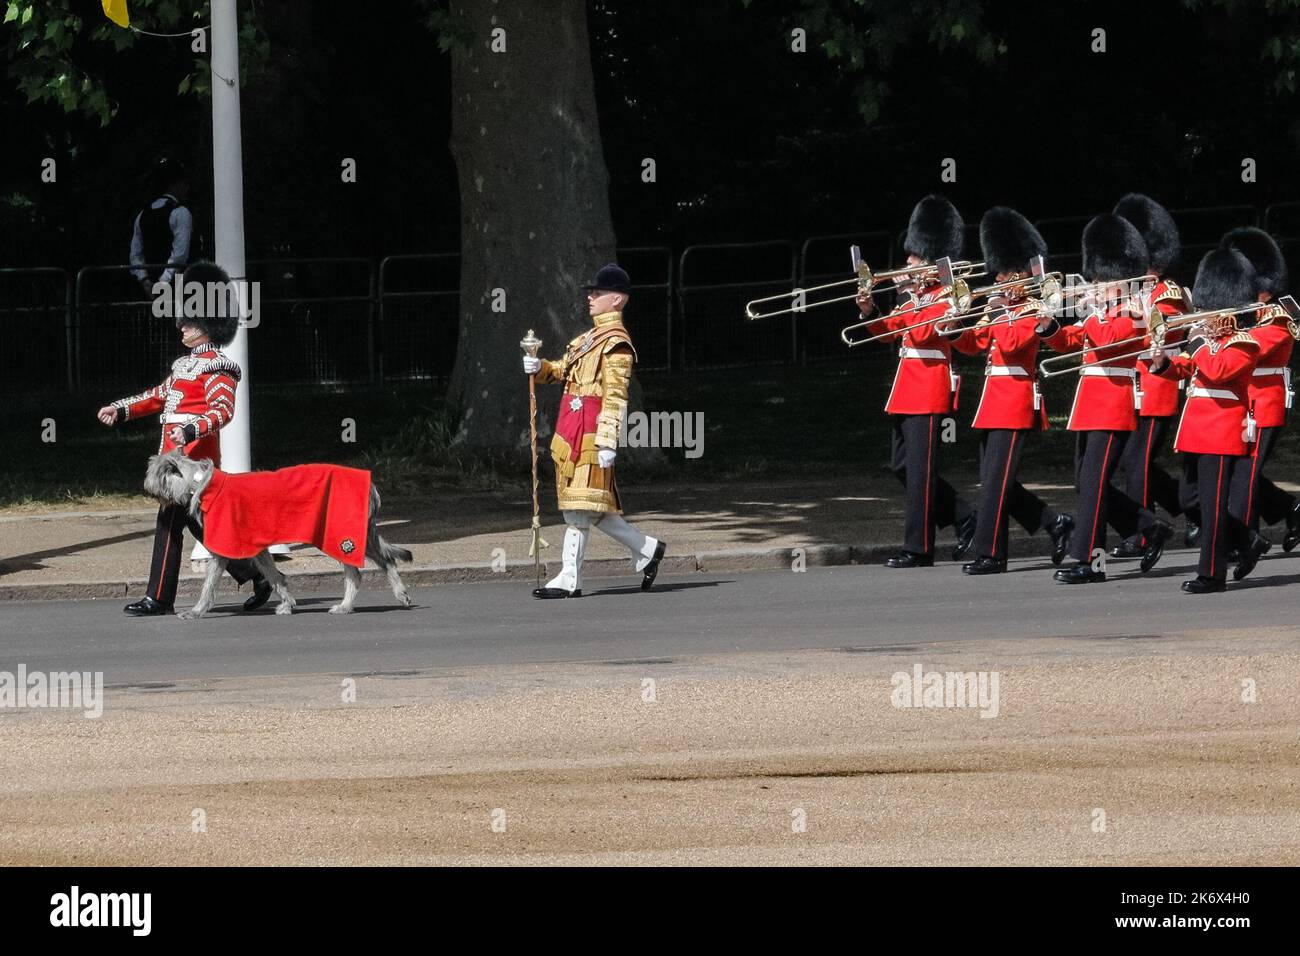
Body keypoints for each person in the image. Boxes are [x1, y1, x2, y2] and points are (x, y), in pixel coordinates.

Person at [96, 261, 269, 616]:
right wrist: (121, 408)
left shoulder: (218, 366)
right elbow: (158, 396)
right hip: (174, 459)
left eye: (190, 322)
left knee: (170, 521)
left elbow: (222, 411)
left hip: (194, 463)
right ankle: (255, 573)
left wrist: (190, 431)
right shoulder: (183, 365)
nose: (183, 327)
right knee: (200, 525)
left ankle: (159, 598)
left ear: (207, 326)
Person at [1038, 215, 1171, 584]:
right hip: (1089, 404)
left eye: (1101, 281)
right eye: (1094, 279)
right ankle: (1148, 526)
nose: (1094, 286)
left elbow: (1108, 338)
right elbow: (1072, 341)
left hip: (1113, 404)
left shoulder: (1135, 314)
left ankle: (1089, 561)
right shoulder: (1105, 312)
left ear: (1120, 281)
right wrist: (1048, 325)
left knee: (1094, 484)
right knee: (1085, 483)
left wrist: (1092, 309)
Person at [522, 263, 666, 599]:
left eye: (597, 292)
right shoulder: (588, 338)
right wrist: (540, 367)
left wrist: (608, 441)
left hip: (592, 434)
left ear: (616, 300)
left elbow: (615, 395)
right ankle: (647, 549)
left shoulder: (615, 343)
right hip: (573, 431)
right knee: (594, 510)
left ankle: (569, 578)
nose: (590, 296)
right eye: (591, 292)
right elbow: (562, 369)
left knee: (577, 509)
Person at [949, 207, 1074, 574]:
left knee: (995, 483)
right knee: (994, 480)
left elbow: (1012, 344)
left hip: (1016, 398)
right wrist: (956, 326)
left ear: (1021, 274)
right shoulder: (1003, 308)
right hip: (993, 400)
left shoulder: (1034, 307)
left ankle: (991, 554)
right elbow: (976, 344)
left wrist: (1001, 308)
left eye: (1006, 273)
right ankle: (1054, 523)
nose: (999, 278)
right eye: (999, 272)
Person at [854, 195, 976, 568]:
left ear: (932, 260)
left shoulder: (946, 297)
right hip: (906, 388)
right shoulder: (915, 298)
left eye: (913, 259)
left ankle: (919, 548)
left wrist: (910, 298)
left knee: (921, 472)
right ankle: (965, 516)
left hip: (929, 387)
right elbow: (888, 332)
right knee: (902, 466)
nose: (906, 266)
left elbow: (924, 336)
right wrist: (869, 308)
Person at [1147, 247, 1270, 592]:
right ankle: (1246, 539)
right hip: (1195, 429)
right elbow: (1186, 368)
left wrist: (1198, 342)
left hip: (1221, 430)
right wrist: (1161, 362)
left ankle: (1212, 574)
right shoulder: (1208, 341)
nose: (1202, 315)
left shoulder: (1245, 343)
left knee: (1213, 505)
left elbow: (1217, 372)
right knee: (1189, 500)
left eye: (1208, 309)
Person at [1110, 194, 1194, 555]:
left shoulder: (1167, 291)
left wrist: (1131, 315)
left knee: (1137, 462)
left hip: (1157, 385)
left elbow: (1166, 334)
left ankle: (1141, 536)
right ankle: (1198, 513)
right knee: (1134, 461)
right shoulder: (1129, 292)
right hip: (1132, 386)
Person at [1221, 227, 1300, 551]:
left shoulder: (1281, 316)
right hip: (1241, 403)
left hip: (1265, 404)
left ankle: (1240, 542)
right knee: (1237, 472)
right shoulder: (1246, 313)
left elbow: (1252, 348)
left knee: (1244, 477)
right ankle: (1289, 509)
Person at [130, 157, 193, 295]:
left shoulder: (142, 214)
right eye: (184, 183)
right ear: (175, 184)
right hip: (178, 289)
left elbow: (135, 254)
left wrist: (145, 280)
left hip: (148, 287)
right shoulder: (181, 213)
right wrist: (162, 283)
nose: (187, 188)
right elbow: (179, 256)